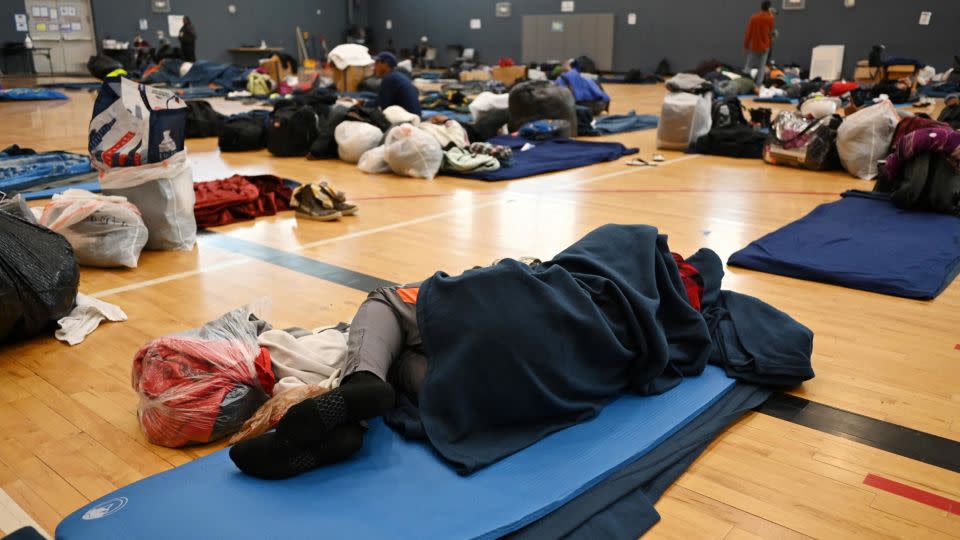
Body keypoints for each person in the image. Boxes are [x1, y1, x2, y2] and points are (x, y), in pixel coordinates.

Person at [372, 51, 421, 115]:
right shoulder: (397, 75)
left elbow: (382, 105)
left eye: (376, 64)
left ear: (385, 64)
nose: (374, 67)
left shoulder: (389, 79)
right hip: (414, 116)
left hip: (408, 120)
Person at [743, 1, 775, 86]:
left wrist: (746, 45)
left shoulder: (754, 17)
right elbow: (770, 33)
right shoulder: (770, 18)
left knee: (748, 65)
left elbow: (749, 32)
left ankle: (744, 82)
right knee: (762, 66)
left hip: (755, 45)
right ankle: (758, 85)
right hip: (765, 46)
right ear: (769, 8)